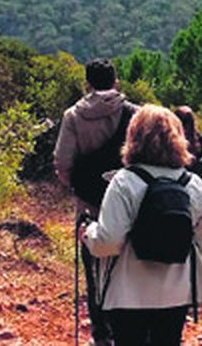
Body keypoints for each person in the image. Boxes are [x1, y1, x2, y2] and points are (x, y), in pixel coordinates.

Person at [84, 104, 202, 346]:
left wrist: (89, 232)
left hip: (127, 293)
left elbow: (108, 242)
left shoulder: (124, 182)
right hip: (176, 294)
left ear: (133, 137)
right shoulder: (195, 185)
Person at [53, 58, 134, 346]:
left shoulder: (73, 116)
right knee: (126, 266)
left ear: (87, 83)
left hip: (89, 204)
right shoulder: (133, 113)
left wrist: (79, 186)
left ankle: (100, 333)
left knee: (93, 266)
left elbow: (62, 163)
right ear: (115, 81)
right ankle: (125, 329)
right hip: (128, 204)